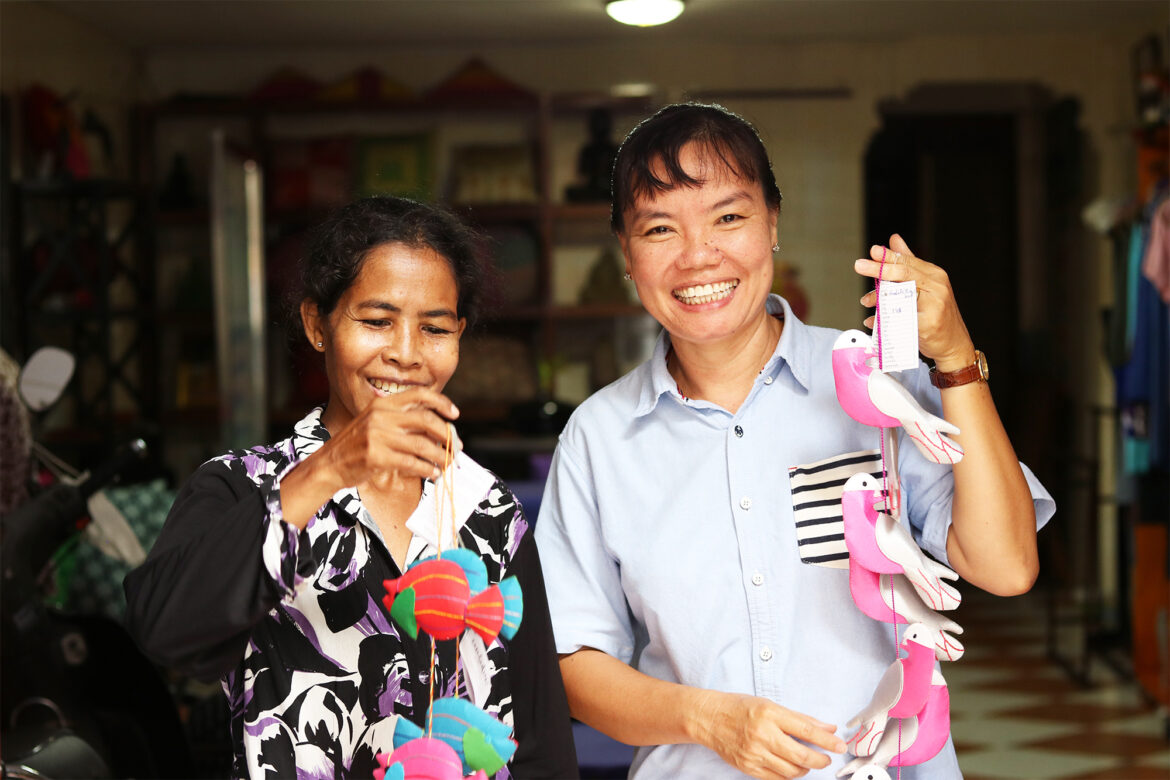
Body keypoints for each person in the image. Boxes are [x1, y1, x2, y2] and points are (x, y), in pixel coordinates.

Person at [534, 103, 1055, 779]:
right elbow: (573, 663)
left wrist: (954, 357)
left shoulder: (875, 387)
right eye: (660, 228)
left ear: (773, 223)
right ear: (627, 254)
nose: (698, 255)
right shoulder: (598, 438)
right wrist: (706, 718)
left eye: (728, 217)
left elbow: (1007, 567)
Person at [124, 196, 578, 780]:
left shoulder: (488, 510)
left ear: (459, 335)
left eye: (435, 328)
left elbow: (540, 740)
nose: (406, 354)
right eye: (376, 321)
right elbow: (163, 630)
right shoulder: (241, 487)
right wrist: (330, 467)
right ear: (318, 325)